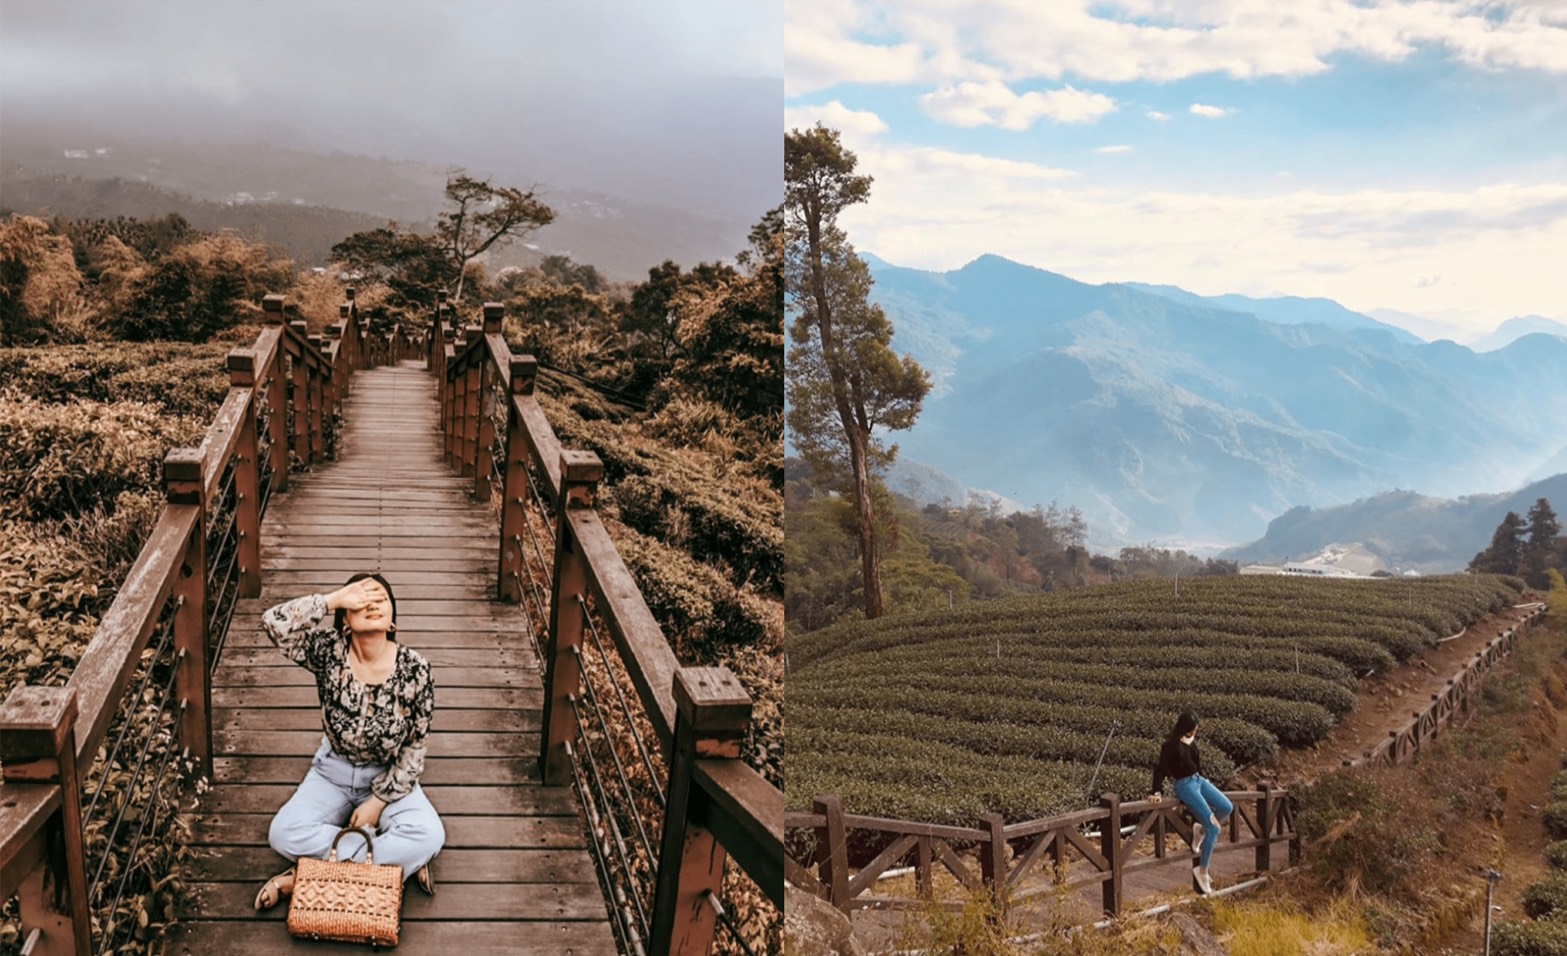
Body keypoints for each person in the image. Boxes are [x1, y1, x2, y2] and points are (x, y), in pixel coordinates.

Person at [253, 573, 444, 910]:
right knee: (282, 833)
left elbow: (415, 748)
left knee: (430, 834)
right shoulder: (328, 652)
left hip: (388, 776)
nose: (372, 604)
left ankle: (305, 875)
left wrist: (379, 801)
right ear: (344, 621)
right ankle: (393, 860)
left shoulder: (416, 669)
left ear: (393, 621)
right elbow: (273, 623)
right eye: (361, 598)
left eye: (381, 599)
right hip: (332, 772)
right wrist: (332, 599)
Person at [1148, 710, 1232, 895]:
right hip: (1185, 786)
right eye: (1194, 728)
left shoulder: (1192, 742)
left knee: (1227, 806)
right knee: (1215, 828)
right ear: (1186, 727)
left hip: (1198, 780)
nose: (1196, 730)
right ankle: (1202, 870)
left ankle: (1200, 830)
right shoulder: (1170, 746)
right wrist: (1157, 791)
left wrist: (1205, 780)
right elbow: (1160, 769)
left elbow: (1197, 765)